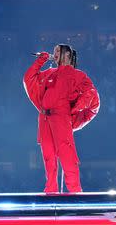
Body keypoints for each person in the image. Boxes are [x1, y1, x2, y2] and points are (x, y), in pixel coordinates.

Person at [23, 44, 100, 193]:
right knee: (48, 157)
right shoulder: (49, 73)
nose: (55, 53)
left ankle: (75, 192)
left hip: (61, 117)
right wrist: (40, 61)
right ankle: (51, 191)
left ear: (67, 55)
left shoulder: (78, 75)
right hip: (45, 118)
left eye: (58, 50)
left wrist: (75, 109)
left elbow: (91, 93)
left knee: (67, 156)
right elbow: (28, 78)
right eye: (54, 51)